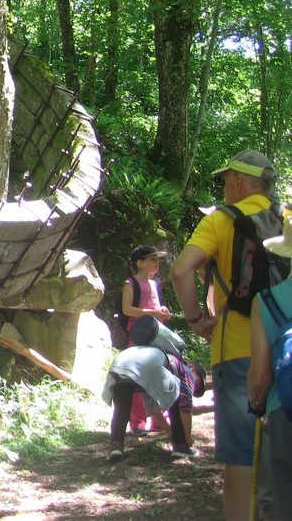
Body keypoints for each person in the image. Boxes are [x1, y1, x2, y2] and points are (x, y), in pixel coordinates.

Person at [171, 150, 277, 521]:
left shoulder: (221, 221)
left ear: (238, 182)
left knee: (241, 457)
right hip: (285, 347)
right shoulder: (287, 220)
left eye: (226, 181)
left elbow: (181, 271)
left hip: (236, 348)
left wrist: (197, 318)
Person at [102, 315, 206, 462]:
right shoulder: (185, 370)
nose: (194, 389)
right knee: (176, 397)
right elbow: (185, 407)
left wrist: (170, 433)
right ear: (194, 370)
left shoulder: (155, 361)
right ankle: (181, 448)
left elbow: (152, 408)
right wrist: (186, 438)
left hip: (121, 361)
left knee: (121, 408)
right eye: (198, 385)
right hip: (143, 366)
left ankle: (116, 447)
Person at [247, 211, 292, 521]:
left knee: (281, 499)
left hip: (283, 412)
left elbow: (261, 376)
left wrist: (256, 402)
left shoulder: (266, 300)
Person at [123, 245, 172, 434]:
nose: (156, 263)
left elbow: (156, 306)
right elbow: (127, 309)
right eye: (152, 259)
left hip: (156, 335)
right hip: (138, 336)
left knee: (160, 375)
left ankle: (160, 419)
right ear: (139, 263)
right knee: (138, 376)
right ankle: (137, 421)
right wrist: (152, 312)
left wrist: (163, 312)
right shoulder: (130, 284)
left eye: (157, 259)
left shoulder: (155, 284)